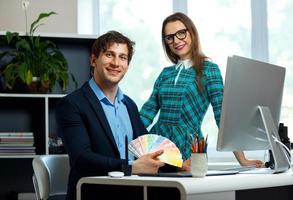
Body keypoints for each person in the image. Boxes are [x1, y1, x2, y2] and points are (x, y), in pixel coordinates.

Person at [140, 12, 263, 171]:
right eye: (169, 37)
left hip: (188, 151)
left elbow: (222, 116)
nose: (176, 40)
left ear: (191, 33)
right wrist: (127, 144)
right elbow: (147, 112)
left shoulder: (209, 70)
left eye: (181, 33)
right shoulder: (165, 73)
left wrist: (243, 159)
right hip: (157, 147)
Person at [55, 31, 165, 200]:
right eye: (109, 55)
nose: (116, 63)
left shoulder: (129, 105)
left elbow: (147, 148)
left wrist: (181, 166)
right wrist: (131, 167)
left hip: (132, 193)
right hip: (93, 194)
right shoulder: (71, 105)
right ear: (93, 60)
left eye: (122, 57)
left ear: (127, 65)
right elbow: (82, 159)